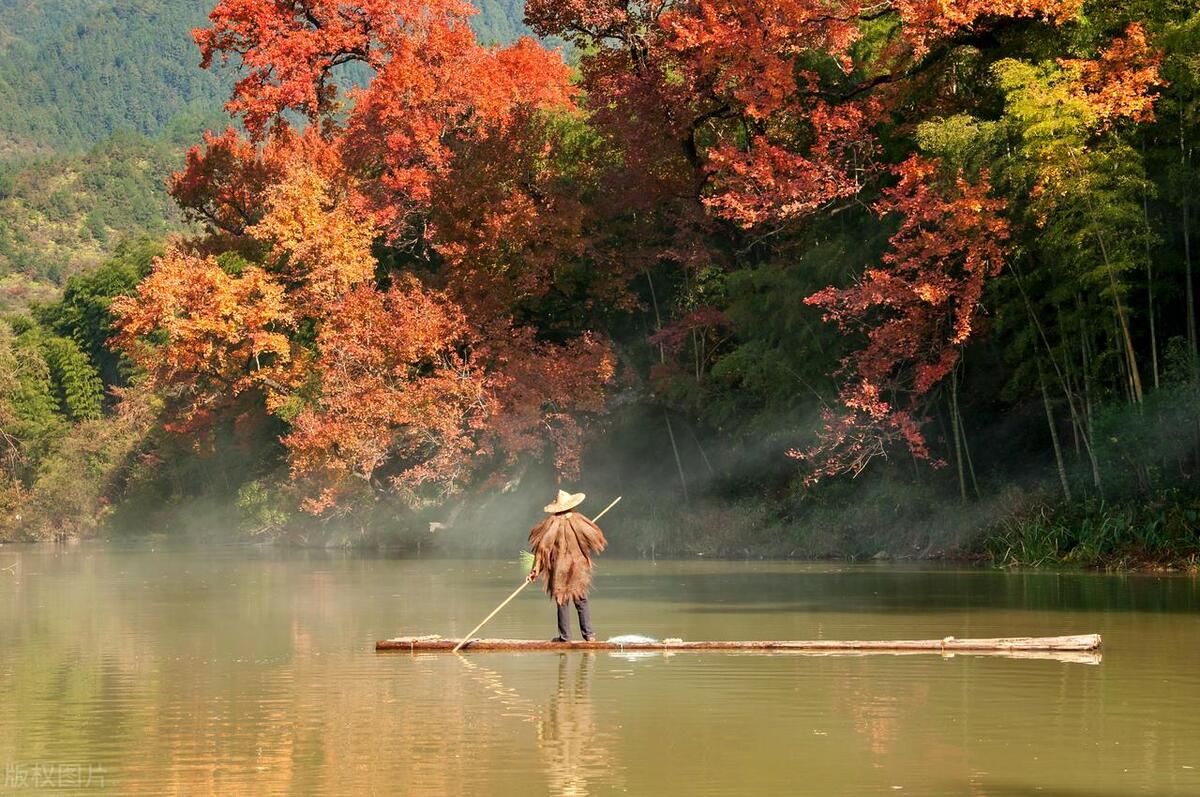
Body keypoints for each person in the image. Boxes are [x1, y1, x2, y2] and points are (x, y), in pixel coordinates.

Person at [528, 489, 607, 642]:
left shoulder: (550, 523)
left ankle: (565, 637)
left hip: (559, 568)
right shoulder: (579, 519)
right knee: (581, 599)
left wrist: (535, 570)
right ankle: (589, 635)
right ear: (571, 505)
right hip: (578, 567)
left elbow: (541, 549)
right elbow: (595, 538)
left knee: (562, 599)